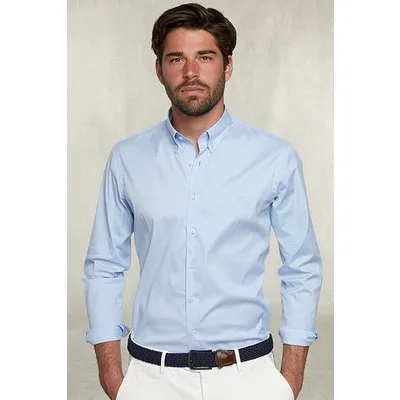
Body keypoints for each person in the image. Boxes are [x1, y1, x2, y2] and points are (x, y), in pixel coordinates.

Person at [84, 3, 323, 400]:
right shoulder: (127, 158)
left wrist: (289, 379)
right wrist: (112, 375)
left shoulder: (274, 158)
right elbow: (104, 266)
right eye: (176, 58)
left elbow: (302, 267)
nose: (191, 72)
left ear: (227, 67)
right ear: (159, 69)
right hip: (151, 380)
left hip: (248, 379)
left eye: (205, 57)